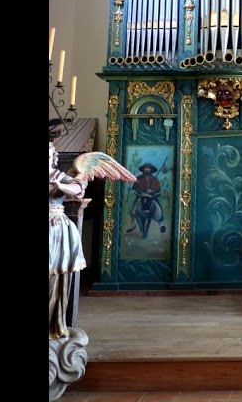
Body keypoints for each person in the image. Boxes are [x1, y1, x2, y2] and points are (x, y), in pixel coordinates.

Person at [50, 143, 135, 339]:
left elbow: (77, 188)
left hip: (55, 230)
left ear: (53, 159)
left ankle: (53, 327)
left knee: (56, 276)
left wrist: (60, 186)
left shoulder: (58, 176)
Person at [127, 162, 165, 239]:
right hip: (141, 196)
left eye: (149, 168)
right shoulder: (139, 178)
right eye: (146, 168)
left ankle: (161, 224)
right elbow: (135, 188)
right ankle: (132, 224)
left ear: (151, 170)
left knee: (159, 207)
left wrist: (152, 191)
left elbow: (158, 189)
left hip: (151, 196)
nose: (147, 169)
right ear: (143, 169)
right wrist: (141, 192)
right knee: (133, 209)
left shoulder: (155, 179)